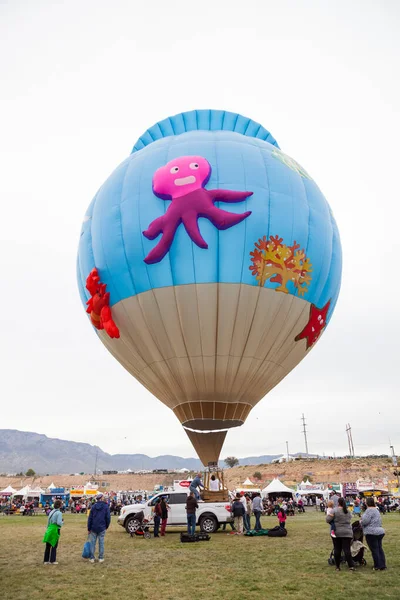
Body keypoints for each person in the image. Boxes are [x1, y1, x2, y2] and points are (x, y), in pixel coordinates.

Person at [326, 497, 355, 571]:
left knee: (337, 549)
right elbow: (350, 518)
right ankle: (351, 566)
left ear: (338, 502)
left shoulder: (334, 510)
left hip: (337, 532)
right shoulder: (348, 511)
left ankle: (337, 566)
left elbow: (328, 519)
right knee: (347, 550)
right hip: (347, 532)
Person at [361, 497, 386, 571]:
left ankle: (377, 566)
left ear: (367, 503)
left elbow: (365, 521)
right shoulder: (376, 510)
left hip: (371, 532)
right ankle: (382, 564)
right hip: (379, 531)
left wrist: (360, 521)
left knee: (374, 549)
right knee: (379, 549)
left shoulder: (369, 511)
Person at [87, 493, 110, 563]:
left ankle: (92, 558)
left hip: (93, 527)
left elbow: (90, 518)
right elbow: (108, 518)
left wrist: (89, 528)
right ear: (101, 498)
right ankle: (101, 557)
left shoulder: (93, 507)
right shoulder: (106, 507)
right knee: (101, 543)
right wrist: (106, 526)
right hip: (102, 527)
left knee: (92, 543)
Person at [43, 499, 63, 565]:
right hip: (55, 529)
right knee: (54, 545)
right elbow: (59, 523)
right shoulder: (59, 513)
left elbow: (48, 521)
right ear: (60, 505)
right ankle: (52, 560)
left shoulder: (51, 512)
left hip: (50, 528)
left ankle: (46, 560)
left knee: (48, 545)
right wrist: (62, 522)